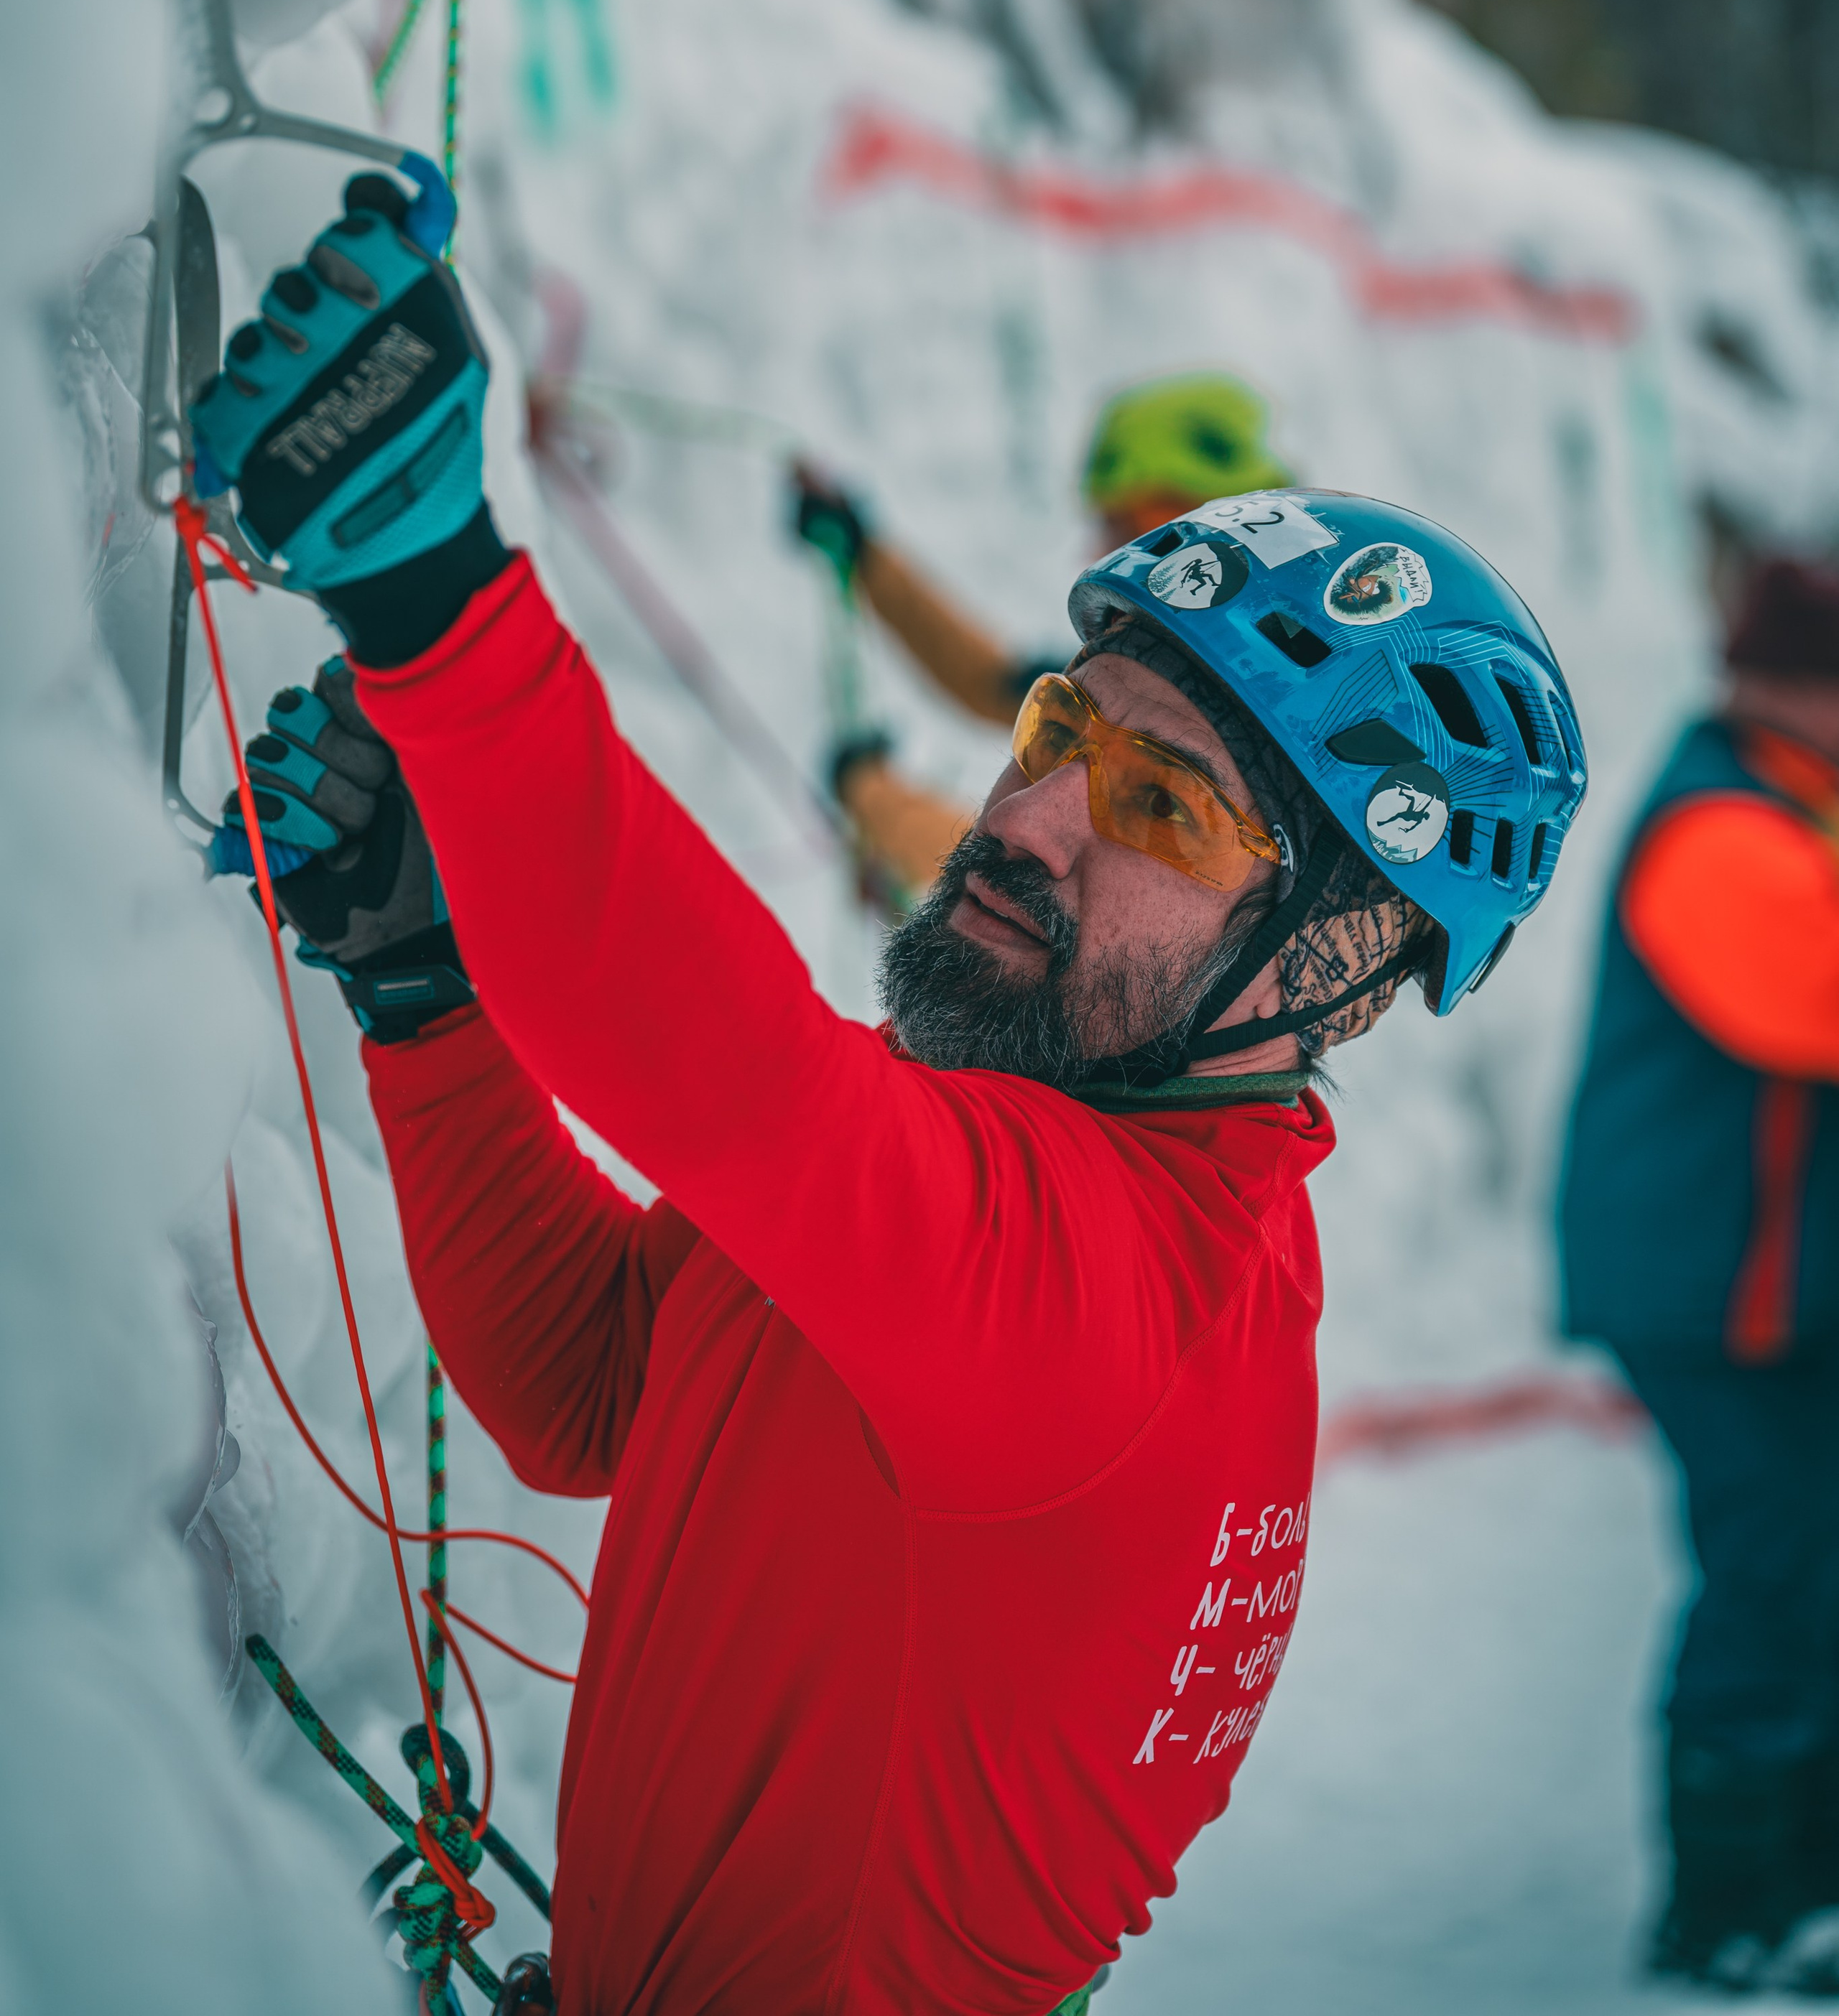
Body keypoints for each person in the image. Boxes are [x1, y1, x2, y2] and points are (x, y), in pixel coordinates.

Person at [193, 164, 1585, 2016]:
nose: (1019, 822)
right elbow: (592, 1382)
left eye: (1156, 804)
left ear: (1332, 961)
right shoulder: (1021, 1201)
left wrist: (435, 589)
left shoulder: (1103, 1296)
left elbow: (729, 1076)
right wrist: (423, 985)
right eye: (1054, 733)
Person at [1560, 559, 1839, 1995]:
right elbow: (1815, 1002)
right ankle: (1723, 1905)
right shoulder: (1719, 825)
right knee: (1771, 1576)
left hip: (1772, 1288)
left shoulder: (1784, 802)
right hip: (1705, 1287)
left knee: (1806, 1572)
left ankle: (1799, 1883)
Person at [793, 372, 1294, 901]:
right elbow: (995, 682)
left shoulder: (1224, 712)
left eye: (1145, 528)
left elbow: (1029, 875)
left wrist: (875, 798)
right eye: (1116, 532)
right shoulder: (1200, 660)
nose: (1126, 560)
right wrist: (866, 555)